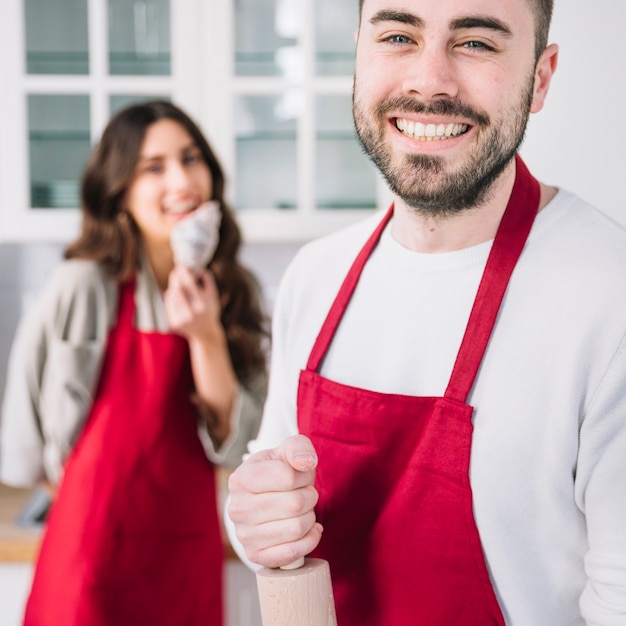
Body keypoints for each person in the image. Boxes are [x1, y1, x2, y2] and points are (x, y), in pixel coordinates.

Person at [226, 0, 626, 624]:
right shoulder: (316, 275)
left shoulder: (609, 299)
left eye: (476, 43)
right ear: (358, 54)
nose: (429, 79)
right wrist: (254, 521)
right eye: (397, 35)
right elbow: (275, 503)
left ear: (540, 78)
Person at [0, 100, 268, 626]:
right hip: (90, 555)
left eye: (191, 160)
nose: (182, 181)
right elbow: (26, 426)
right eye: (154, 167)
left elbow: (237, 445)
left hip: (183, 551)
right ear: (119, 189)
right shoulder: (84, 285)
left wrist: (205, 334)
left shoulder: (234, 291)